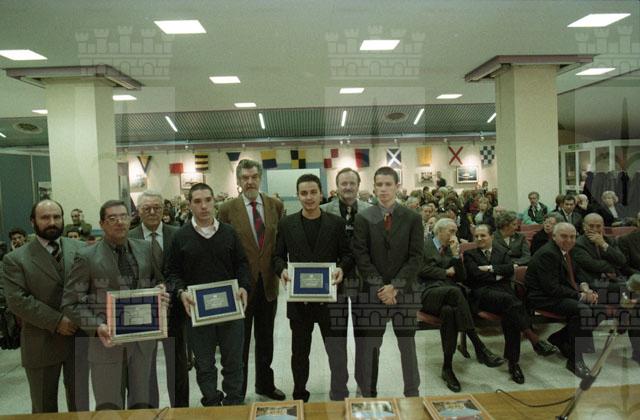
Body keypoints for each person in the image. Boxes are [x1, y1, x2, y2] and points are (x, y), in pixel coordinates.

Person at [62, 199, 166, 410]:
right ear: (102, 223)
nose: (119, 222)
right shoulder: (87, 256)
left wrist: (161, 291)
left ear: (130, 219)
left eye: (123, 216)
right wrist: (96, 326)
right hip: (105, 345)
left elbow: (157, 281)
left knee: (142, 407)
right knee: (109, 408)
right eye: (112, 218)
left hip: (142, 343)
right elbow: (71, 302)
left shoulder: (145, 248)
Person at [166, 183, 250, 406]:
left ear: (215, 202)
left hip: (231, 309)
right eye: (197, 201)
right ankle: (211, 402)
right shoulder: (180, 237)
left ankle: (234, 403)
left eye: (207, 200)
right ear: (189, 205)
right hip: (197, 312)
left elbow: (242, 264)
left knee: (234, 362)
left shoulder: (229, 233)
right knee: (204, 364)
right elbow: (172, 273)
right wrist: (181, 292)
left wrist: (244, 286)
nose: (203, 206)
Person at [2, 200, 88, 413]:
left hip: (78, 339)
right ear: (32, 221)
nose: (52, 222)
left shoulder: (81, 248)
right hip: (40, 342)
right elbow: (17, 300)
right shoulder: (15, 259)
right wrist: (57, 321)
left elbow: (93, 287)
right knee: (43, 408)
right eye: (45, 217)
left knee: (80, 406)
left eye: (56, 217)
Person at [273, 173, 353, 401]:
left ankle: (340, 390)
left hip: (332, 298)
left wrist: (342, 269)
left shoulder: (337, 223)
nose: (309, 197)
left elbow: (348, 255)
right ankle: (299, 392)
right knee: (299, 353)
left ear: (321, 194)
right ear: (297, 196)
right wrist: (282, 270)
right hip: (300, 301)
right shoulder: (286, 224)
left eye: (313, 192)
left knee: (337, 351)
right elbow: (277, 256)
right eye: (304, 193)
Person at [352, 166, 423, 398]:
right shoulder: (364, 217)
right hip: (374, 293)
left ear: (397, 186)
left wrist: (396, 286)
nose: (383, 189)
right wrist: (381, 288)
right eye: (379, 185)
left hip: (404, 292)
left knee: (407, 346)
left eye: (388, 184)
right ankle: (369, 392)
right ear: (373, 187)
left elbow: (416, 257)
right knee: (371, 347)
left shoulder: (412, 218)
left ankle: (412, 392)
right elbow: (361, 256)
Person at [218, 159, 286, 401]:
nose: (250, 182)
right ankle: (238, 389)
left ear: (260, 178)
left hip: (268, 285)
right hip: (241, 288)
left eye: (254, 177)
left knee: (266, 340)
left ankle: (265, 385)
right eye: (245, 178)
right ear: (238, 181)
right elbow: (223, 250)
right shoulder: (226, 209)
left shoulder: (275, 205)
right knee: (240, 342)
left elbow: (278, 245)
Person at [463, 224, 557, 384]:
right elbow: (475, 275)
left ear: (491, 236)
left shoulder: (502, 252)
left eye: (483, 235)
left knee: (511, 315)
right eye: (476, 236)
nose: (479, 239)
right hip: (483, 295)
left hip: (504, 294)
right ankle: (533, 340)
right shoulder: (469, 254)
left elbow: (510, 269)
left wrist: (489, 268)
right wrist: (498, 274)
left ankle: (513, 362)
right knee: (513, 303)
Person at [418, 218, 504, 392]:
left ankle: (447, 368)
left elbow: (462, 277)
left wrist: (456, 256)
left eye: (455, 232)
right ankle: (479, 346)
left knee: (449, 312)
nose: (454, 236)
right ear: (439, 231)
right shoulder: (423, 246)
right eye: (451, 231)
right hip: (428, 293)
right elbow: (419, 270)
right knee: (456, 292)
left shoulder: (452, 249)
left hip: (449, 296)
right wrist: (445, 271)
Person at [129, 191, 189, 407]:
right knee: (145, 366)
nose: (152, 212)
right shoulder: (129, 238)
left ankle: (180, 410)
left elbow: (185, 269)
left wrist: (170, 289)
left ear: (164, 209)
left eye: (157, 207)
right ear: (138, 211)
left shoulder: (178, 234)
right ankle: (150, 410)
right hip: (144, 311)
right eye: (147, 208)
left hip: (175, 309)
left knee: (178, 365)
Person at [525, 222, 599, 378]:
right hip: (543, 298)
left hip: (558, 294)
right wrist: (581, 296)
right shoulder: (548, 254)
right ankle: (575, 361)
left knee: (598, 309)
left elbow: (577, 272)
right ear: (554, 236)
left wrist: (585, 287)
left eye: (572, 237)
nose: (569, 240)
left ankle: (558, 338)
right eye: (564, 236)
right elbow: (551, 288)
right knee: (583, 311)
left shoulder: (566, 250)